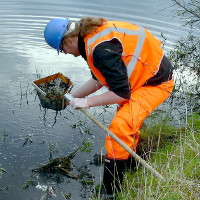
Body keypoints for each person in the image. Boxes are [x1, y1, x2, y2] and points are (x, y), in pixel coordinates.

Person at [44, 17, 174, 199]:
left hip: (155, 82)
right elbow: (99, 79)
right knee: (128, 123)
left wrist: (87, 102)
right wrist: (73, 98)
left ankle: (111, 192)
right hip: (140, 78)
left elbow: (121, 93)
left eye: (62, 48)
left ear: (70, 40)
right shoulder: (89, 39)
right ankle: (130, 166)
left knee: (120, 127)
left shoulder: (98, 49)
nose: (64, 53)